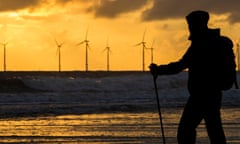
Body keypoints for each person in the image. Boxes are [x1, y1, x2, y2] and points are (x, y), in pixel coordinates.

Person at [149, 10, 232, 144]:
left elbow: (181, 65)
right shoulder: (213, 41)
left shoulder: (200, 44)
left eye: (190, 24)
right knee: (214, 130)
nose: (189, 27)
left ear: (197, 24)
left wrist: (159, 70)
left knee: (185, 129)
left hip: (201, 95)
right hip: (214, 94)